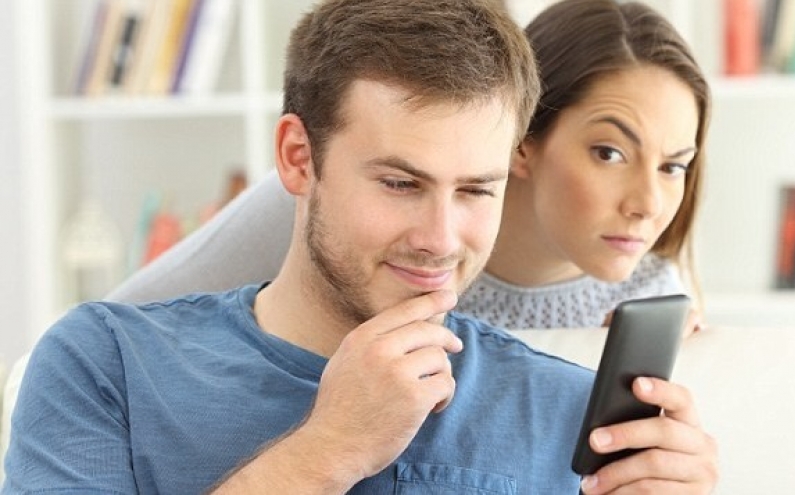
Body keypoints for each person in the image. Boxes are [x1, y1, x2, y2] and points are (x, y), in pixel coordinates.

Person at [4, 0, 718, 493]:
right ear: (298, 157)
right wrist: (326, 450)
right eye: (401, 183)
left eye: (476, 190)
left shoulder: (568, 412)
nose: (441, 241)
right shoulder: (104, 365)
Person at [107, 0, 711, 335]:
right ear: (522, 139)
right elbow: (121, 328)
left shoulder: (654, 302)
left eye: (674, 166)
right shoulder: (328, 192)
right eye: (609, 153)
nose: (647, 204)